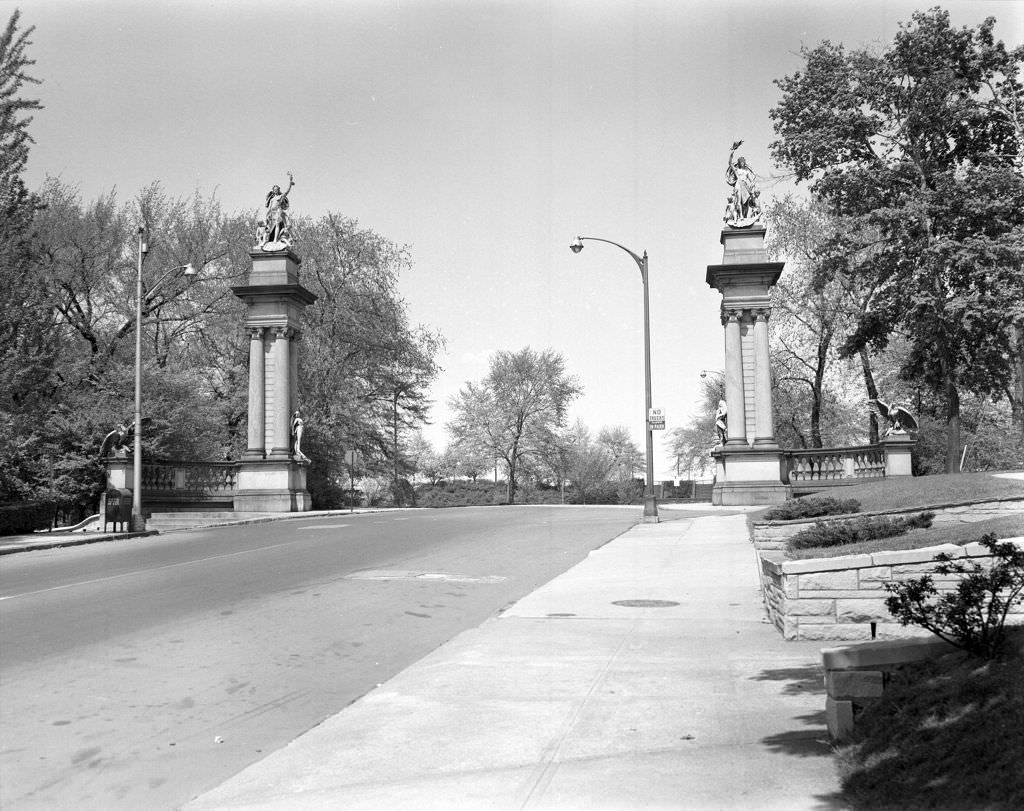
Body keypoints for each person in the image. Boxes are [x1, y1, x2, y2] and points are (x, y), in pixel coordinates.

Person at [725, 141, 762, 224]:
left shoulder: (746, 171)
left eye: (743, 162)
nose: (742, 163)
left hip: (745, 186)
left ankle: (744, 216)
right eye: (740, 162)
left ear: (744, 163)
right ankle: (741, 216)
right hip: (738, 184)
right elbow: (730, 163)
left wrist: (753, 184)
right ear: (739, 163)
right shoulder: (737, 170)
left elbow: (752, 179)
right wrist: (733, 151)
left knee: (746, 203)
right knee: (738, 201)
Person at [264, 173, 295, 245]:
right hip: (272, 213)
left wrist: (290, 183)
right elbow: (269, 207)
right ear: (273, 190)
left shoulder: (281, 196)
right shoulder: (272, 199)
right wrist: (267, 215)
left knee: (277, 224)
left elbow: (287, 191)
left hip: (278, 211)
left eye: (277, 189)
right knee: (269, 227)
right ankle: (267, 240)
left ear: (278, 190)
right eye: (274, 189)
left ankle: (275, 239)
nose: (275, 190)